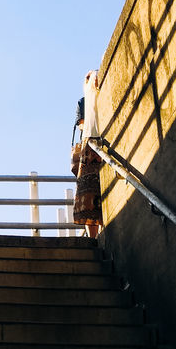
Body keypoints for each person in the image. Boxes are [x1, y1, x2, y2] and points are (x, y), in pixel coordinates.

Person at [71, 69, 103, 239]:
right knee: (87, 193)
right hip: (88, 143)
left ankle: (96, 235)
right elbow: (82, 125)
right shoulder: (83, 102)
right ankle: (92, 238)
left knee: (92, 192)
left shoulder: (101, 96)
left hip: (96, 143)